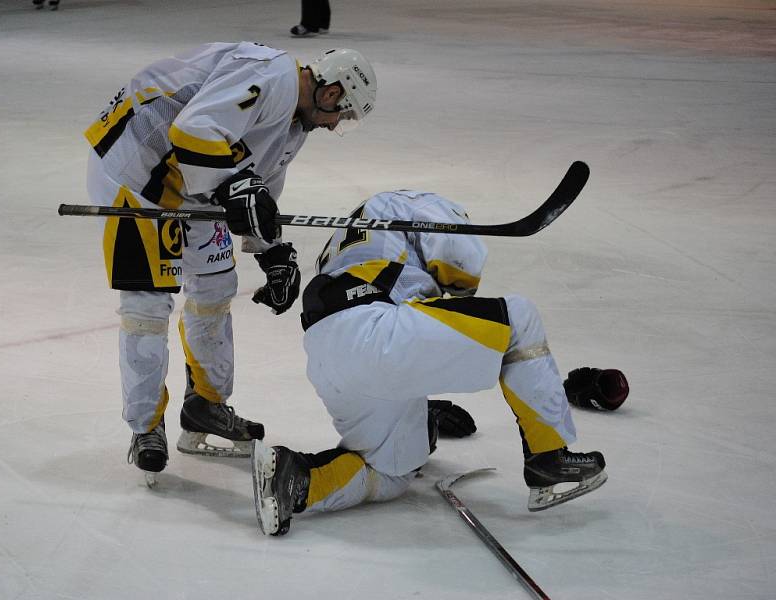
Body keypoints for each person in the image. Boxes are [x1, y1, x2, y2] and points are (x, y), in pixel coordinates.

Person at [251, 189, 629, 535]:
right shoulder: (424, 205)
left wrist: (422, 408)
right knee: (517, 319)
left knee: (390, 472)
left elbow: (413, 336)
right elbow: (461, 271)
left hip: (327, 352)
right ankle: (549, 457)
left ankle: (295, 478)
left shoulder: (352, 234)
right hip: (375, 329)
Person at [84, 43, 377, 485]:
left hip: (193, 183)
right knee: (147, 307)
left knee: (216, 289)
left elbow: (259, 185)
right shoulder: (273, 77)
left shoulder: (295, 125)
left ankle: (205, 406)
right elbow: (193, 129)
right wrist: (234, 189)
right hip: (137, 171)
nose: (336, 125)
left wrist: (272, 250)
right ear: (332, 93)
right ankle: (146, 427)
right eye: (343, 114)